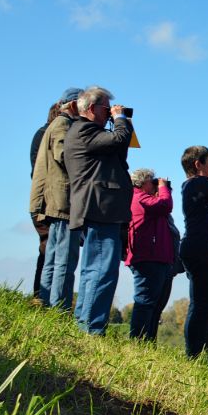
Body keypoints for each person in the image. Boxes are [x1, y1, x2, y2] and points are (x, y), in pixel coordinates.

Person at [64, 85, 134, 335]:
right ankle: (92, 328)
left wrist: (121, 121)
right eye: (106, 108)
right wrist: (121, 120)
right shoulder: (84, 130)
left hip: (98, 208)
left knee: (92, 270)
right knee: (102, 271)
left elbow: (119, 151)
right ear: (92, 108)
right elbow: (118, 138)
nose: (110, 113)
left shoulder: (86, 133)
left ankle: (85, 324)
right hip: (100, 208)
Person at [28, 87, 82, 309]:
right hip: (59, 202)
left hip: (51, 201)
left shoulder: (53, 126)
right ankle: (56, 307)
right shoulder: (62, 126)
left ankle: (44, 302)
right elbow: (65, 157)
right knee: (62, 258)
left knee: (51, 255)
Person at [179, 145, 208, 358]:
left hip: (199, 250)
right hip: (201, 251)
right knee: (200, 306)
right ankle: (192, 355)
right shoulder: (197, 183)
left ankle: (195, 355)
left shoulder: (196, 186)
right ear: (198, 164)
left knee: (202, 305)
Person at [125, 169, 173, 340]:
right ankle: (137, 340)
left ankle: (146, 341)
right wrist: (163, 187)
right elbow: (165, 205)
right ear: (142, 182)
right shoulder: (139, 197)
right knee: (145, 302)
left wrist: (162, 190)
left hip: (153, 256)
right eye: (151, 181)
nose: (154, 184)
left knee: (152, 303)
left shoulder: (144, 198)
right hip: (148, 257)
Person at [28, 101, 60, 300]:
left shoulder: (42, 133)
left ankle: (41, 298)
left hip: (44, 201)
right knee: (50, 249)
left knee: (49, 249)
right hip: (48, 203)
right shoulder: (49, 134)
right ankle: (41, 298)